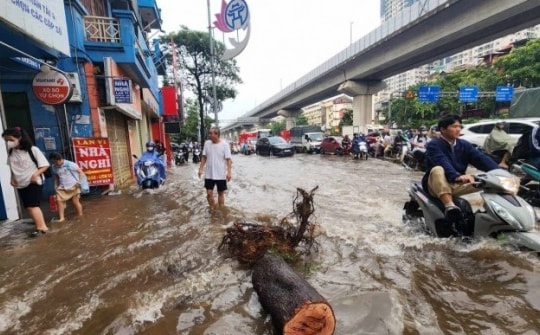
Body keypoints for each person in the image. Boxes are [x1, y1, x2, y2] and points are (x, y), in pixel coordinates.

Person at [422, 114, 499, 224]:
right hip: (436, 185)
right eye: (454, 126)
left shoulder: (464, 145)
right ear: (443, 129)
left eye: (459, 126)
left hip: (457, 183)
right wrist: (456, 176)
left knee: (490, 183)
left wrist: (500, 172)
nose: (458, 129)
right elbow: (442, 161)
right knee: (437, 169)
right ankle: (450, 206)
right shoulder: (434, 144)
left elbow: (480, 158)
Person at [2, 127, 50, 236]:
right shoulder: (11, 152)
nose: (8, 142)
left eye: (10, 139)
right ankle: (38, 225)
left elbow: (45, 165)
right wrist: (12, 178)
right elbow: (12, 166)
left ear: (19, 138)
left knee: (33, 205)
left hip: (33, 182)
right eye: (6, 140)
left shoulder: (33, 150)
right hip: (20, 182)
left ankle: (42, 228)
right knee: (28, 207)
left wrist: (35, 175)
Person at [198, 127, 232, 209]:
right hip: (209, 174)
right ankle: (212, 210)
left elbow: (228, 159)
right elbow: (204, 157)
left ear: (216, 134)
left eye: (211, 133)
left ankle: (221, 210)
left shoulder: (224, 145)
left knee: (220, 193)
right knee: (209, 194)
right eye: (209, 133)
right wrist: (200, 168)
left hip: (220, 174)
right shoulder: (207, 143)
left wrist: (229, 172)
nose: (209, 135)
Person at [49, 152, 84, 222]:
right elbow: (56, 177)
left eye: (55, 162)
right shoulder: (54, 166)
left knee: (75, 201)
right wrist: (55, 185)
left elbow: (81, 173)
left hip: (74, 186)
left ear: (59, 159)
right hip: (62, 187)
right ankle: (62, 218)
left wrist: (79, 182)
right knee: (59, 201)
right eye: (52, 162)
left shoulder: (70, 164)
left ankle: (80, 215)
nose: (54, 164)